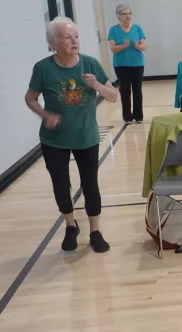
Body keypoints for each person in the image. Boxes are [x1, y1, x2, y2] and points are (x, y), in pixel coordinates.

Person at [25, 16, 118, 253]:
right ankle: (70, 225)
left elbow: (113, 95)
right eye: (67, 37)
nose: (74, 41)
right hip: (54, 140)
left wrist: (97, 85)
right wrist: (45, 115)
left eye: (76, 36)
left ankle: (95, 231)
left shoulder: (90, 64)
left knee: (90, 184)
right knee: (60, 185)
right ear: (53, 43)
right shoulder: (43, 68)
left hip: (86, 136)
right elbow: (30, 98)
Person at [107, 4, 146, 124]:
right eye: (124, 14)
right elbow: (113, 48)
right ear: (119, 16)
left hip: (137, 64)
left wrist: (138, 46)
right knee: (125, 90)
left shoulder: (137, 28)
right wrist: (123, 46)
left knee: (137, 90)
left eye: (129, 13)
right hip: (121, 65)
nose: (128, 16)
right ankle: (127, 117)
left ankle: (138, 116)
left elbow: (144, 46)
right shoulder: (113, 30)